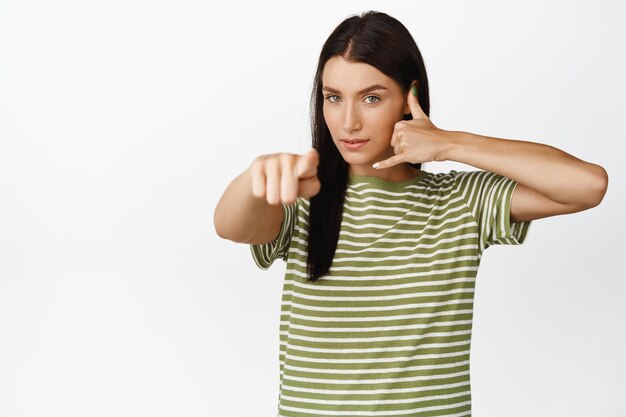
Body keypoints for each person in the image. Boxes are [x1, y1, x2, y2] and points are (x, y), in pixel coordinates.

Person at [214, 10, 608, 417]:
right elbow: (231, 226)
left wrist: (450, 143)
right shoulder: (302, 193)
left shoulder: (459, 201)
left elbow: (587, 185)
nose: (348, 121)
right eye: (334, 97)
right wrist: (253, 179)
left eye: (371, 97)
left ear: (408, 97)